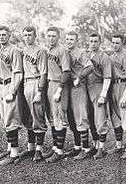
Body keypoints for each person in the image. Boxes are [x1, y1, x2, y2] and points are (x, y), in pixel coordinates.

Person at [0, 26, 23, 165]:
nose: (1, 37)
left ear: (9, 35)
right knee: (5, 119)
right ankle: (9, 148)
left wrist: (12, 91)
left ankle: (14, 155)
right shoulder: (0, 51)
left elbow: (18, 72)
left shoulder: (14, 50)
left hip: (10, 85)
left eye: (4, 34)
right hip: (1, 85)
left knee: (11, 120)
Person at [19, 26, 48, 162]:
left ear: (35, 36)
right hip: (25, 83)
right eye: (25, 35)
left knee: (38, 117)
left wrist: (40, 91)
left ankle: (39, 149)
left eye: (30, 35)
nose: (27, 37)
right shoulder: (22, 50)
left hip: (36, 82)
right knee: (27, 117)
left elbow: (43, 73)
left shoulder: (41, 51)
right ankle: (31, 147)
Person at [65, 31, 95, 160]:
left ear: (76, 40)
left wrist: (80, 76)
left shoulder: (80, 53)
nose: (69, 41)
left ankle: (86, 148)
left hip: (78, 87)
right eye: (67, 39)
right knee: (71, 118)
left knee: (81, 116)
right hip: (68, 86)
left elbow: (90, 67)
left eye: (72, 39)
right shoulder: (65, 52)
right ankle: (77, 147)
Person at [43, 27, 71, 163]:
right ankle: (55, 148)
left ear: (58, 37)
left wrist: (59, 89)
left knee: (60, 117)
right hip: (50, 83)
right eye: (49, 36)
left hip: (59, 84)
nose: (51, 38)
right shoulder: (48, 50)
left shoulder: (62, 50)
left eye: (54, 36)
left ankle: (60, 151)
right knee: (53, 118)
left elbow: (66, 72)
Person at [108, 33, 126, 160]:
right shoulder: (110, 57)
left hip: (124, 85)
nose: (114, 45)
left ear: (122, 44)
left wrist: (125, 95)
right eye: (113, 42)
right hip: (113, 87)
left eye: (117, 43)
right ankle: (118, 145)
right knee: (115, 117)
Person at [85, 32, 112, 159]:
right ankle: (95, 145)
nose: (93, 44)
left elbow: (107, 77)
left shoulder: (104, 56)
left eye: (95, 41)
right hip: (86, 87)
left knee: (100, 118)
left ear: (100, 42)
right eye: (91, 41)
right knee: (89, 117)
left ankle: (102, 148)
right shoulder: (86, 54)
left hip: (98, 86)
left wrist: (103, 94)